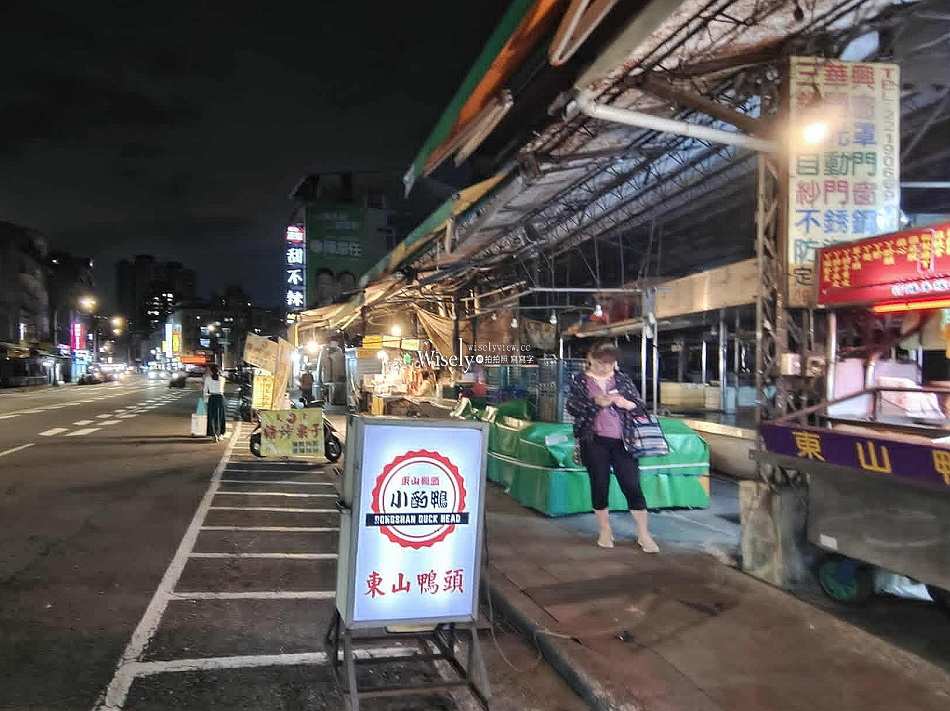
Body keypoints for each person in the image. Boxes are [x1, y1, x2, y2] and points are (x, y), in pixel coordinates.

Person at [565, 340, 659, 553]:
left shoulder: (622, 379)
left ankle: (644, 534)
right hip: (594, 440)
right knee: (600, 485)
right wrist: (595, 402)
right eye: (602, 362)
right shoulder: (580, 380)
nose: (606, 367)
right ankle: (605, 530)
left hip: (624, 441)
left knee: (633, 486)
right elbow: (572, 406)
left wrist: (625, 403)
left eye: (610, 362)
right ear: (591, 358)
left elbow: (639, 404)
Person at [203, 364, 227, 442]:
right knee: (220, 416)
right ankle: (220, 434)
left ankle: (214, 435)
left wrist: (205, 400)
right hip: (220, 398)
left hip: (212, 398)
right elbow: (222, 389)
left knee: (212, 417)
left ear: (211, 371)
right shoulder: (222, 379)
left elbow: (205, 391)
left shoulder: (207, 379)